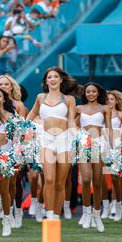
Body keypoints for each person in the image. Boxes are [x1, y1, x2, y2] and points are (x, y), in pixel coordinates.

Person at [26, 66, 80, 220]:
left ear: (61, 79)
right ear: (46, 81)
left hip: (64, 140)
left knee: (60, 183)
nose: (53, 79)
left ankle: (56, 215)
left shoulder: (69, 99)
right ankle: (49, 214)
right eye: (49, 77)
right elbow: (32, 113)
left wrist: (78, 136)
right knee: (49, 179)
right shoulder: (40, 97)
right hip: (46, 140)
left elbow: (71, 122)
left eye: (55, 76)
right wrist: (22, 126)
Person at [75, 82, 111, 232]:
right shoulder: (79, 108)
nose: (90, 94)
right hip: (84, 143)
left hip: (99, 143)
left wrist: (110, 148)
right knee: (85, 179)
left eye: (93, 91)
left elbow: (108, 128)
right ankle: (87, 213)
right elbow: (73, 125)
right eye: (88, 92)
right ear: (85, 94)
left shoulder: (105, 109)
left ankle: (97, 215)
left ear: (98, 93)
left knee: (97, 182)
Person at [0, 87, 22, 233]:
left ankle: (8, 215)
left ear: (4, 99)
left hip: (9, 153)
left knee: (9, 185)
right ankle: (2, 208)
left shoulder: (12, 116)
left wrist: (18, 155)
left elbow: (18, 137)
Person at [104, 90, 122, 221]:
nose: (109, 102)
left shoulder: (121, 115)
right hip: (103, 145)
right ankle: (106, 205)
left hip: (117, 147)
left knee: (115, 178)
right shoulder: (101, 114)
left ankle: (117, 204)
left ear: (116, 101)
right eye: (107, 99)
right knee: (102, 178)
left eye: (112, 99)